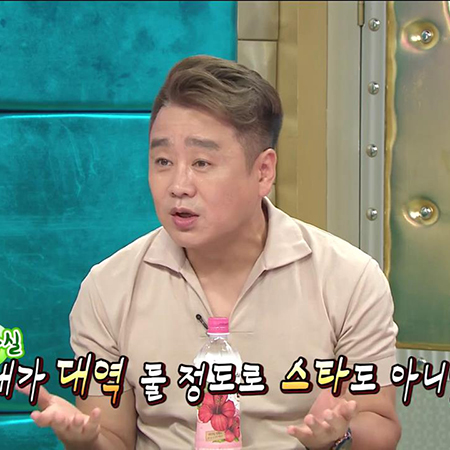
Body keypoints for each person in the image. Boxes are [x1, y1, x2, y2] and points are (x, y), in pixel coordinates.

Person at [19, 55, 401, 450]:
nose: (178, 185)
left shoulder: (349, 279)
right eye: (163, 161)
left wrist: (338, 437)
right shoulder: (108, 288)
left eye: (202, 162)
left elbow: (380, 423)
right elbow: (113, 437)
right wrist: (86, 441)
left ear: (264, 172)